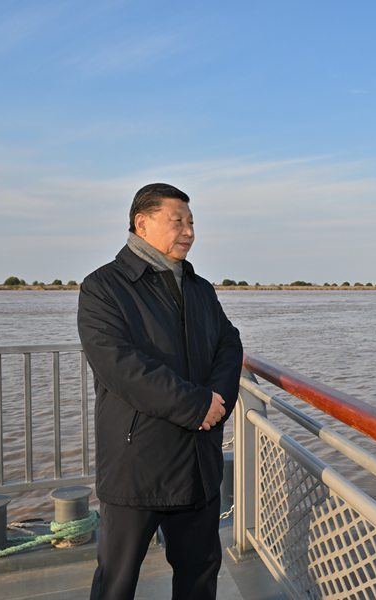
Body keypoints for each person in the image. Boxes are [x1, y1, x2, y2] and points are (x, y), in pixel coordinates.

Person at [78, 183, 243, 599]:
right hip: (137, 464)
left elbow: (229, 344)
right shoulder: (103, 287)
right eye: (178, 221)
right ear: (142, 224)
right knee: (116, 581)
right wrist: (198, 405)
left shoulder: (199, 288)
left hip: (197, 461)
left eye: (192, 222)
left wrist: (217, 404)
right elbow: (121, 367)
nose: (189, 232)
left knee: (199, 575)